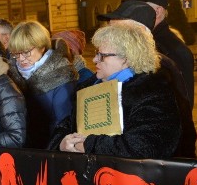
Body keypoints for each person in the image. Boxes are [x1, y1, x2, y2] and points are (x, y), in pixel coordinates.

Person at [51, 21, 182, 159]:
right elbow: (64, 128)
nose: (95, 59)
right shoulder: (88, 87)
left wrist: (87, 144)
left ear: (126, 59)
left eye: (102, 55)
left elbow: (145, 146)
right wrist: (62, 143)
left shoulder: (152, 92)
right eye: (96, 53)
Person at [97, 0, 197, 158]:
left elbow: (177, 119)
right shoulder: (129, 65)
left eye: (115, 28)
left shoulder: (160, 67)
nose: (108, 31)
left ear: (136, 33)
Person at [7, 21, 77, 149]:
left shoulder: (61, 73)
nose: (21, 59)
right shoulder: (9, 72)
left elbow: (63, 122)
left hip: (48, 149)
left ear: (42, 46)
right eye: (16, 53)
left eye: (26, 52)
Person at [130, 0, 195, 106]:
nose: (132, 13)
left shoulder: (173, 48)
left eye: (138, 8)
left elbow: (183, 100)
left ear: (158, 11)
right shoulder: (148, 41)